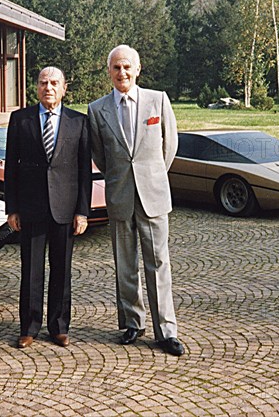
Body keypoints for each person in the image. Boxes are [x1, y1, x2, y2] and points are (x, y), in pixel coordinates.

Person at [87, 45, 184, 356]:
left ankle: (165, 331)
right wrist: (123, 179)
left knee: (158, 264)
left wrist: (152, 176)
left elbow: (170, 145)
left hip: (153, 196)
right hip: (120, 196)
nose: (122, 73)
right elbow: (100, 156)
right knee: (125, 265)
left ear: (138, 69)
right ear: (109, 72)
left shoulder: (158, 100)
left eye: (127, 67)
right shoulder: (97, 109)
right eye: (116, 67)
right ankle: (132, 322)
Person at [5, 66, 91, 349]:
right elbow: (11, 168)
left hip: (64, 209)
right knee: (31, 270)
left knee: (61, 270)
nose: (48, 88)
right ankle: (29, 327)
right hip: (31, 208)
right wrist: (12, 208)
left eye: (55, 83)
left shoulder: (78, 122)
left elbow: (83, 171)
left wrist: (82, 211)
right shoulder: (20, 120)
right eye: (43, 83)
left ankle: (59, 327)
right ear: (37, 87)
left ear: (64, 88)